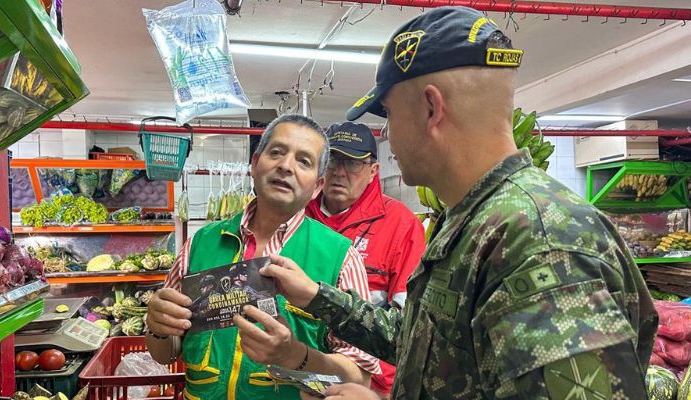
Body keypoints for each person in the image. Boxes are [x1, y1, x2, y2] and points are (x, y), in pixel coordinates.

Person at [258, 6, 658, 399]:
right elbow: (426, 345)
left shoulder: (539, 240)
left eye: (390, 115)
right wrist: (315, 296)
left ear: (431, 109)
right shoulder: (473, 220)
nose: (388, 135)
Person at [145, 114, 380, 400]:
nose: (286, 166)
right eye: (277, 152)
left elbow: (360, 377)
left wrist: (295, 355)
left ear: (317, 186)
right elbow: (165, 353)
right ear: (255, 164)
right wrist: (157, 328)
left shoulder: (340, 257)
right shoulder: (200, 243)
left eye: (304, 161)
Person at [305, 121, 426, 398]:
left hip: (370, 383)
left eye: (352, 164)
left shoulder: (401, 224)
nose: (339, 172)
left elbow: (407, 322)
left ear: (373, 171)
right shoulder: (299, 216)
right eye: (332, 161)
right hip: (298, 371)